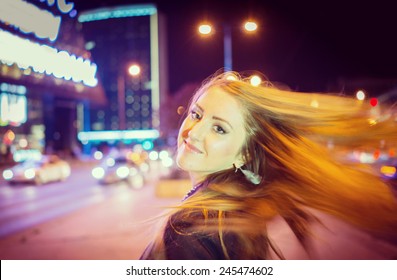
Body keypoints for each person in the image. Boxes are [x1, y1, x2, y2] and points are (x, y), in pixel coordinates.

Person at [140, 70, 397, 260]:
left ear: (244, 155)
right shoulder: (236, 213)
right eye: (196, 114)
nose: (193, 132)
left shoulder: (189, 231)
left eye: (219, 129)